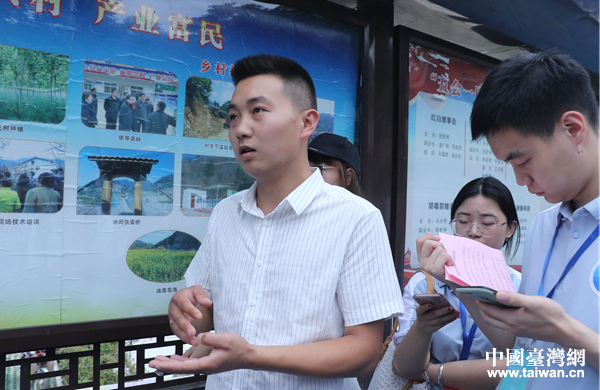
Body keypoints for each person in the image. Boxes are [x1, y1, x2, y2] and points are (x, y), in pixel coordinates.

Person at [149, 54, 404, 389]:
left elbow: (364, 351)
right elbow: (205, 317)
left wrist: (252, 355)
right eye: (233, 116)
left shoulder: (356, 217)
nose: (241, 129)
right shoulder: (225, 213)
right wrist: (186, 310)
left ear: (307, 123)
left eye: (258, 110)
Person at [418, 51, 599, 389]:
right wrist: (455, 278)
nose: (520, 180)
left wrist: (564, 330)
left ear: (573, 129)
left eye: (523, 161)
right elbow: (521, 349)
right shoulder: (545, 226)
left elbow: (555, 335)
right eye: (510, 165)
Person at [387, 177, 521, 390]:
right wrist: (423, 328)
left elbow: (526, 366)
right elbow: (403, 368)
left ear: (510, 229)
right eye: (463, 221)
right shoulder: (426, 283)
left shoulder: (521, 288)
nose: (473, 231)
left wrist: (432, 372)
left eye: (487, 223)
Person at [308, 132, 363, 197]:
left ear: (348, 177)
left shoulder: (356, 204)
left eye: (318, 169)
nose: (308, 176)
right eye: (307, 168)